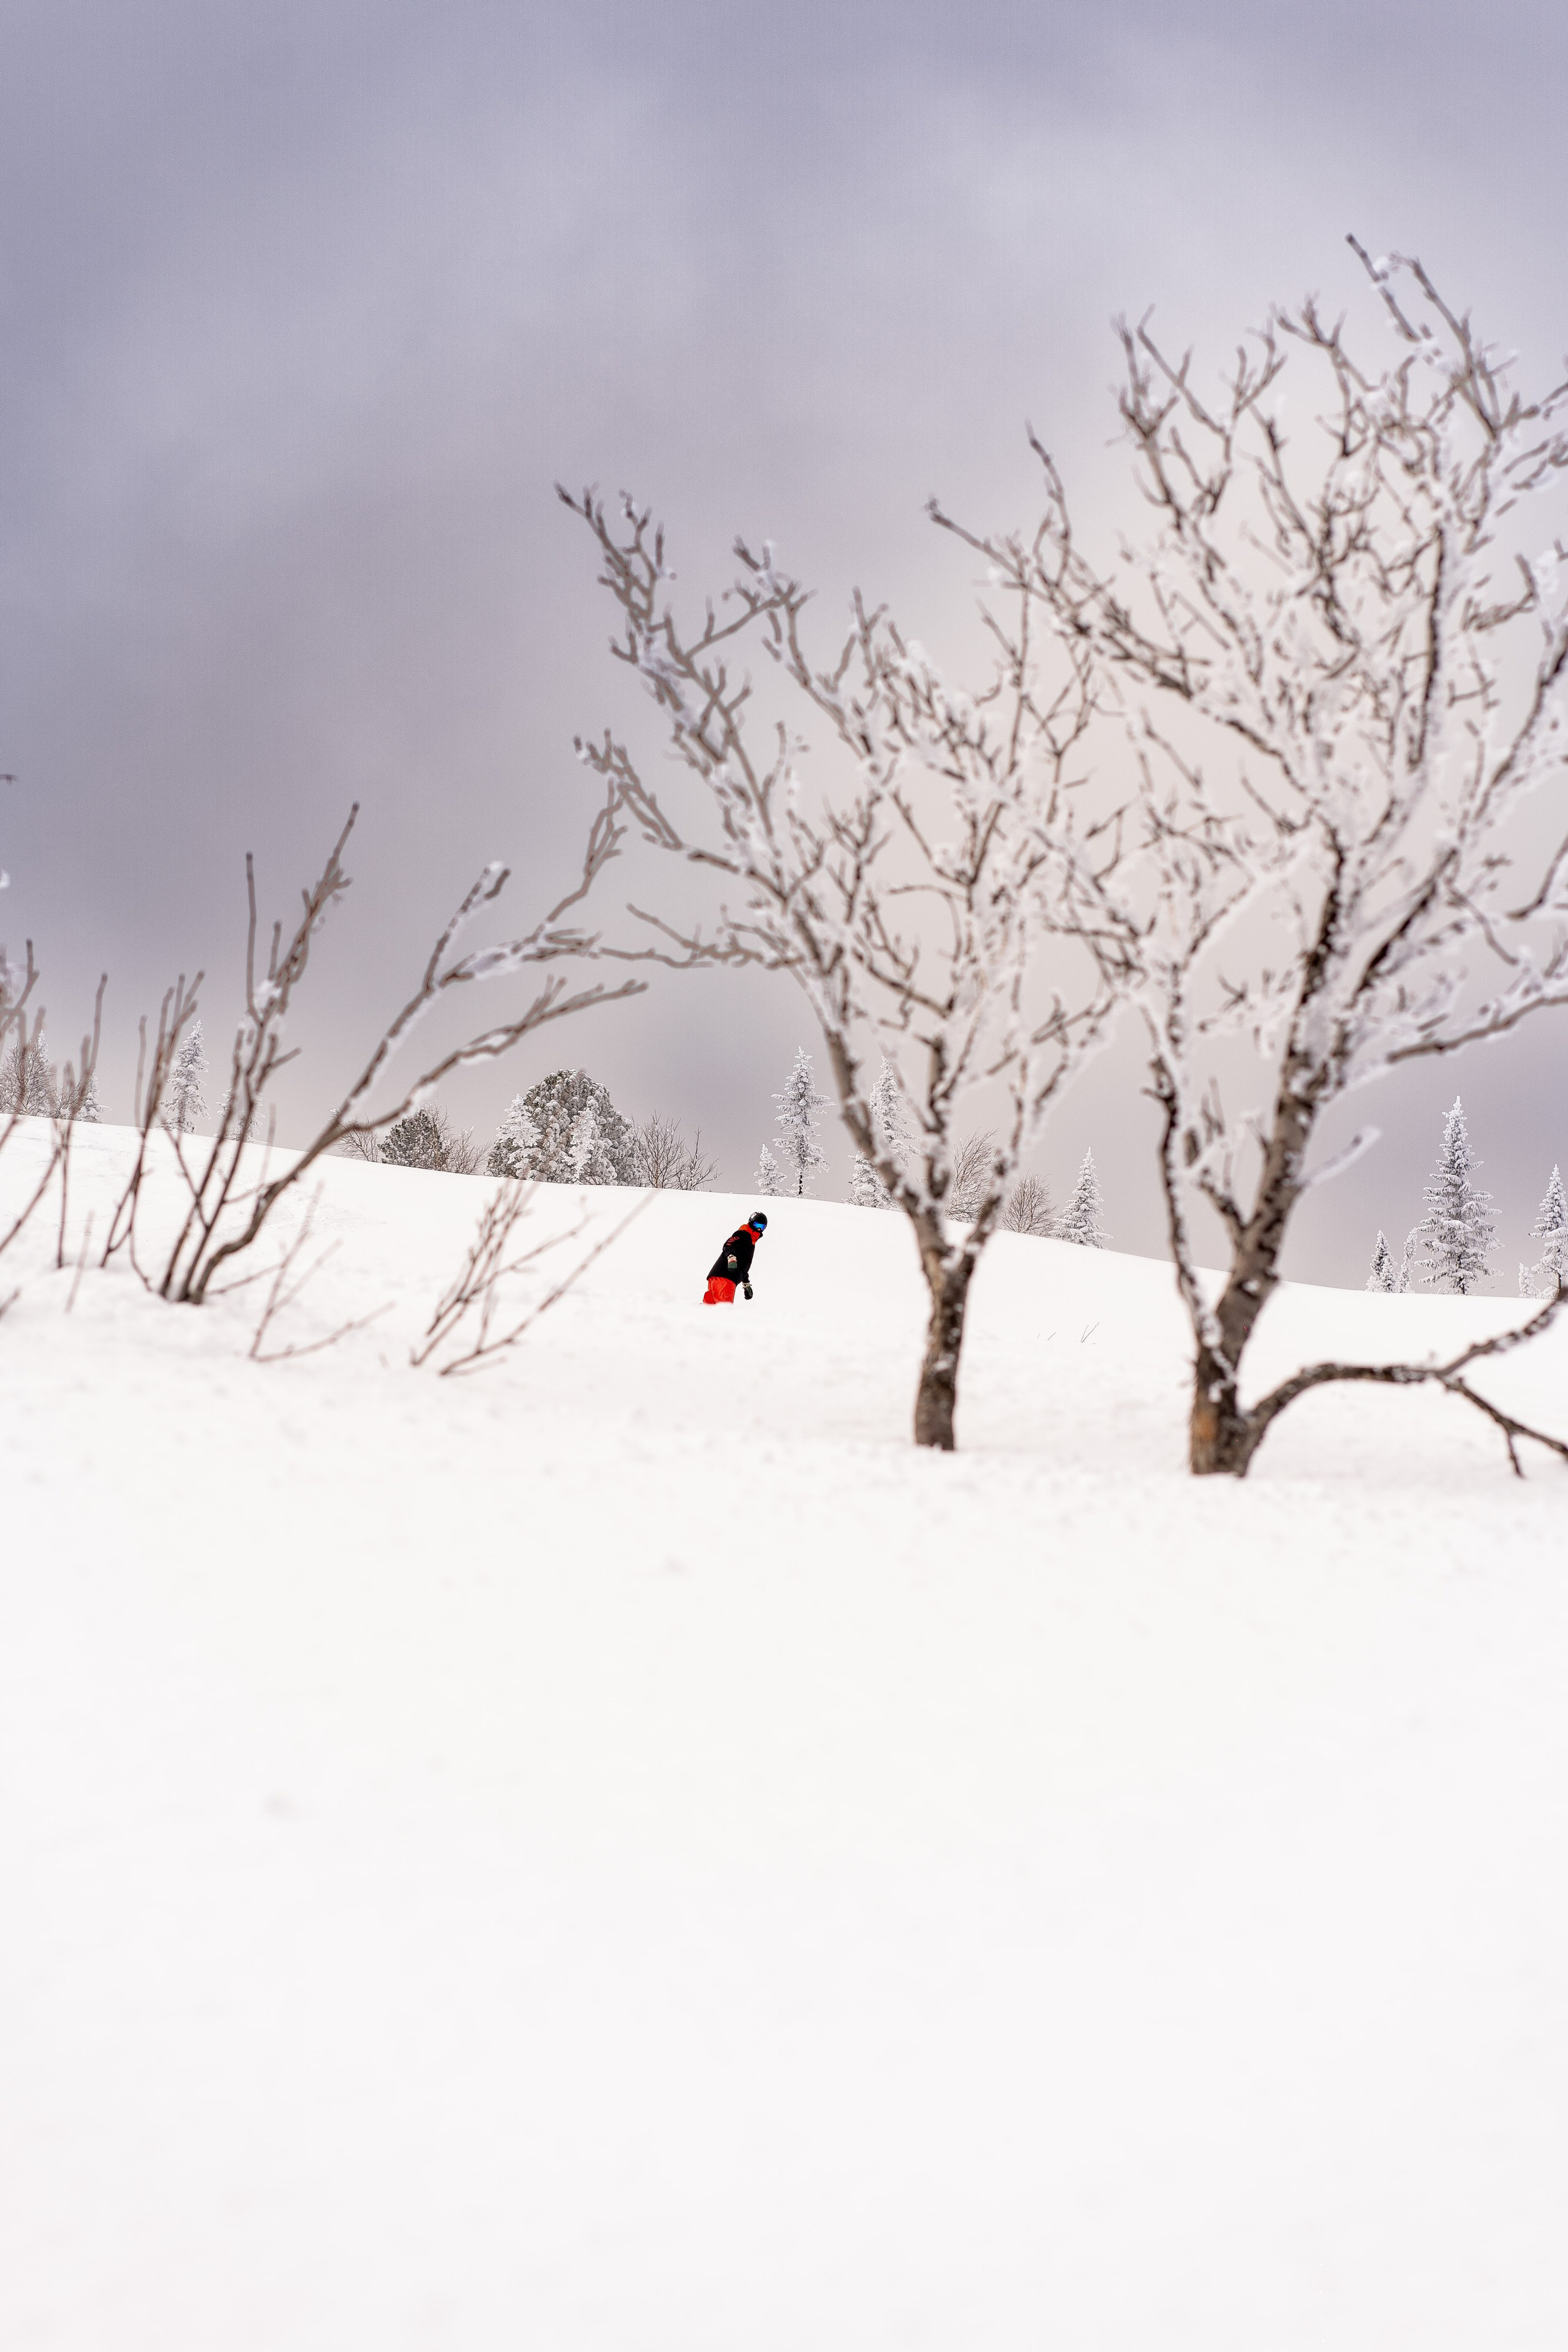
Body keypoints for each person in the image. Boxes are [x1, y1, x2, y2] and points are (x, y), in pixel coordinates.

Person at [703, 1211, 767, 1304]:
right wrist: (731, 1257)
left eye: (762, 1227)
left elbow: (743, 1265)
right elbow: (729, 1245)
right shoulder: (743, 1234)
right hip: (726, 1277)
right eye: (757, 1225)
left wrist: (746, 1284)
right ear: (751, 1223)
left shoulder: (751, 1241)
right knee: (723, 1310)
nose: (759, 1229)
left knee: (709, 1309)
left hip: (720, 1277)